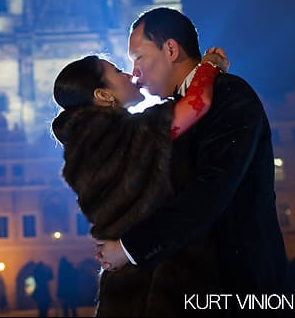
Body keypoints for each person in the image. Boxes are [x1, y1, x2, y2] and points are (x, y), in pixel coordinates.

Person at [94, 7, 291, 315]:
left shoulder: (230, 95)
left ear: (171, 49)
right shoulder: (169, 112)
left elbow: (211, 190)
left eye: (139, 57)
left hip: (238, 289)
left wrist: (129, 248)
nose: (134, 72)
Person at [52, 46, 227, 315]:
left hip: (124, 286)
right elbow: (197, 103)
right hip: (154, 283)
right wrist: (210, 67)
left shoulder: (85, 146)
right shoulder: (129, 134)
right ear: (103, 94)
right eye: (118, 71)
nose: (130, 75)